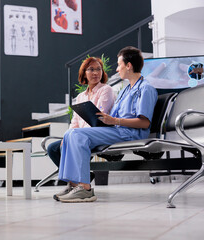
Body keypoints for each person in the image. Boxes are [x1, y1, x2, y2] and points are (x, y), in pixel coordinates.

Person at [56, 46, 158, 203]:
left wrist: (114, 121)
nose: (117, 69)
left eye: (119, 64)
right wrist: (107, 119)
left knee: (76, 135)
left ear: (128, 65)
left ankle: (85, 189)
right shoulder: (125, 90)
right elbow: (115, 117)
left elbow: (144, 123)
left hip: (130, 133)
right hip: (117, 130)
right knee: (69, 133)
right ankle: (73, 184)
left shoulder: (146, 89)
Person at [48, 57, 115, 200]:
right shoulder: (80, 97)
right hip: (79, 134)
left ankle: (81, 184)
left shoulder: (106, 90)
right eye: (91, 69)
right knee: (53, 148)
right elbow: (75, 122)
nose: (95, 72)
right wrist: (67, 135)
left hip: (97, 133)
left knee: (74, 138)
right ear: (84, 73)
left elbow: (100, 116)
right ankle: (74, 184)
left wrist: (74, 135)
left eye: (98, 69)